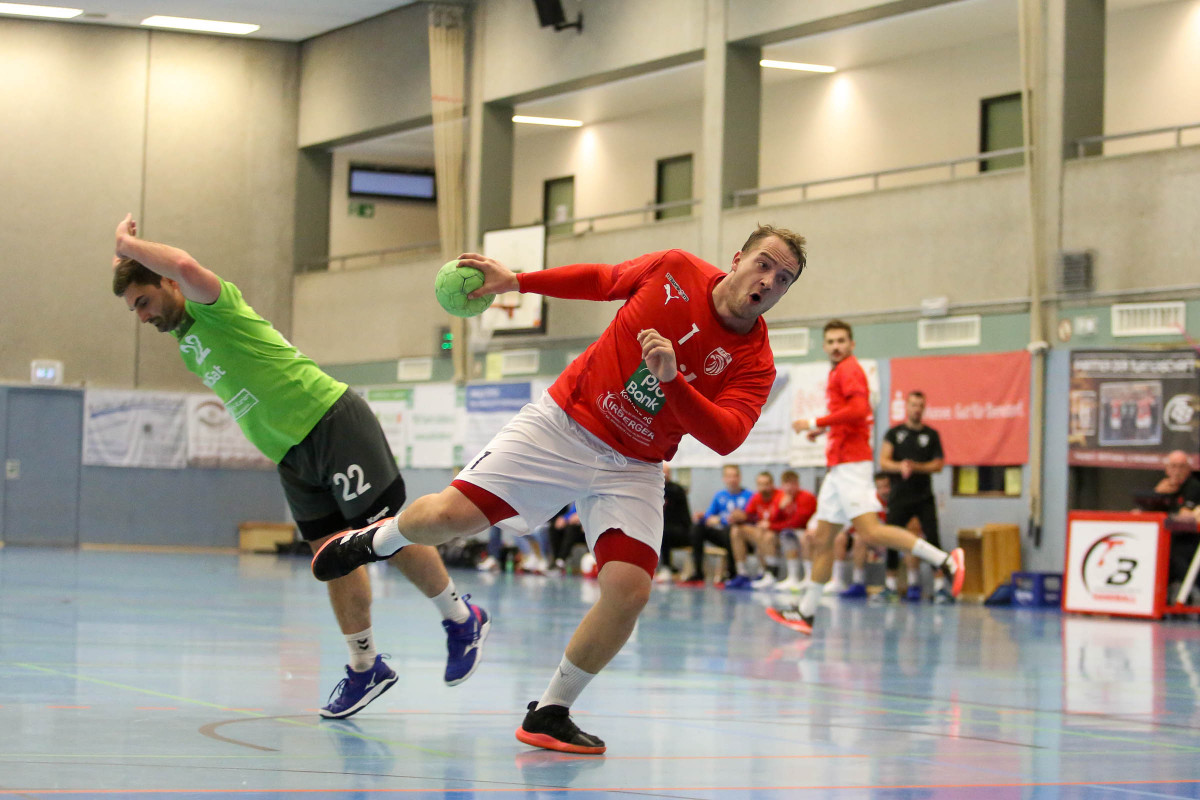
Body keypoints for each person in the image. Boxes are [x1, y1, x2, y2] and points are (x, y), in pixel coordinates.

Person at [311, 224, 807, 753]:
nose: (768, 281)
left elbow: (727, 436)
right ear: (737, 258)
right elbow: (602, 279)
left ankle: (550, 711)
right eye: (763, 263)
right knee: (445, 519)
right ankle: (373, 541)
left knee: (630, 591)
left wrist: (673, 383)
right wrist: (516, 282)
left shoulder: (756, 362)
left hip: (634, 466)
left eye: (783, 279)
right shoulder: (674, 268)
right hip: (565, 424)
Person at [110, 214, 489, 720]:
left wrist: (127, 244)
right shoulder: (185, 340)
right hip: (291, 455)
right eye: (134, 308)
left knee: (389, 536)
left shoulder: (213, 306)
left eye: (143, 301)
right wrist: (128, 263)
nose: (141, 316)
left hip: (330, 422)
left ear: (166, 284)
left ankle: (462, 619)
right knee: (333, 558)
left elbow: (181, 262)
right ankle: (365, 667)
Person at [768, 320, 964, 635]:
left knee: (871, 532)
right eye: (831, 341)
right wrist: (825, 430)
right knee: (823, 540)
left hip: (851, 466)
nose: (836, 346)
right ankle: (806, 613)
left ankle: (946, 560)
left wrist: (815, 421)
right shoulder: (838, 372)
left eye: (841, 341)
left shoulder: (849, 369)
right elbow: (851, 417)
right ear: (824, 346)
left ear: (852, 344)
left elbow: (859, 410)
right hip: (837, 467)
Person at [877, 391, 949, 603]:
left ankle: (940, 587)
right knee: (891, 537)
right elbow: (884, 461)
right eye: (913, 405)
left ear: (924, 409)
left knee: (933, 538)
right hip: (899, 496)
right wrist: (901, 466)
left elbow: (938, 464)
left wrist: (915, 467)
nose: (916, 409)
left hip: (923, 496)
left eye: (920, 406)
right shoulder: (894, 433)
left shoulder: (931, 435)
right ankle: (890, 585)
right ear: (907, 407)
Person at [745, 470, 817, 591]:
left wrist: (771, 526)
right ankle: (785, 576)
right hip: (788, 532)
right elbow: (772, 519)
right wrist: (780, 508)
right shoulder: (781, 498)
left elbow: (797, 523)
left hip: (807, 531)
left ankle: (809, 577)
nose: (789, 487)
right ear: (782, 485)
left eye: (792, 484)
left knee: (794, 535)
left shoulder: (806, 497)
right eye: (786, 484)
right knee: (775, 535)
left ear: (798, 484)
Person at [682, 464, 752, 586]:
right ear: (724, 479)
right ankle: (698, 573)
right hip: (723, 534)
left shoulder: (748, 496)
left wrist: (720, 520)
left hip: (741, 536)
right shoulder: (720, 496)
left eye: (735, 476)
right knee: (697, 527)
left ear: (740, 477)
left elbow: (748, 518)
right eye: (729, 476)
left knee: (732, 530)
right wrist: (702, 517)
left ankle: (732, 574)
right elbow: (709, 516)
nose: (732, 479)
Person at [726, 471, 779, 589]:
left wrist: (771, 525)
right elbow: (749, 515)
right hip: (762, 530)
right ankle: (742, 573)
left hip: (777, 532)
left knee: (766, 535)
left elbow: (787, 519)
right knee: (736, 530)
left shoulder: (779, 496)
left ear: (772, 484)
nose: (763, 488)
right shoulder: (756, 497)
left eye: (766, 484)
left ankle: (770, 574)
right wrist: (739, 517)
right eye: (760, 484)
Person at [654, 464, 693, 583]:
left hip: (682, 530)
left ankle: (666, 567)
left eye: (666, 472)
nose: (664, 475)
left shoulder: (676, 490)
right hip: (666, 528)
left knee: (663, 532)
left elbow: (681, 517)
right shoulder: (655, 488)